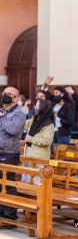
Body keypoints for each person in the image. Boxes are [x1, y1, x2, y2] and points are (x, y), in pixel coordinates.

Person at [0, 87, 26, 222]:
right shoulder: (1, 112)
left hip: (9, 154)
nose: (5, 96)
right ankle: (1, 214)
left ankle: (10, 216)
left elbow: (12, 129)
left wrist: (2, 118)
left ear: (15, 98)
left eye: (8, 94)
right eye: (4, 93)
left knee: (8, 184)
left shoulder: (19, 113)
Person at [21, 99, 54, 184]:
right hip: (29, 156)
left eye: (38, 106)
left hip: (38, 159)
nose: (35, 108)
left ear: (44, 109)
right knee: (26, 183)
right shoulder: (34, 120)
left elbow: (47, 141)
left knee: (36, 185)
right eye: (36, 106)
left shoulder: (48, 124)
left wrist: (31, 139)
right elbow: (22, 125)